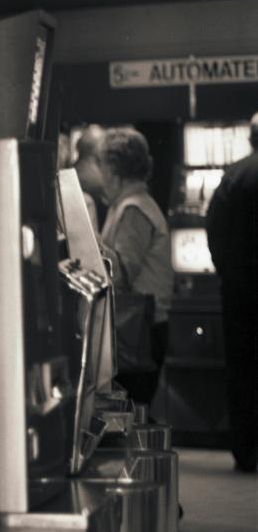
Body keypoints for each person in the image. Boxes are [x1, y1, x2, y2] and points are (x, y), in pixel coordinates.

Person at [98, 126, 174, 407]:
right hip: (143, 328)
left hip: (140, 331)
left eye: (102, 167)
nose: (100, 176)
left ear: (113, 169)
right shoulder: (134, 204)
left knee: (131, 409)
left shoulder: (134, 209)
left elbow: (121, 273)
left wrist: (89, 241)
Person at [206, 113, 258, 473]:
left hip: (241, 291)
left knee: (242, 371)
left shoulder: (235, 175)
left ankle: (246, 450)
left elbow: (214, 229)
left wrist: (228, 271)